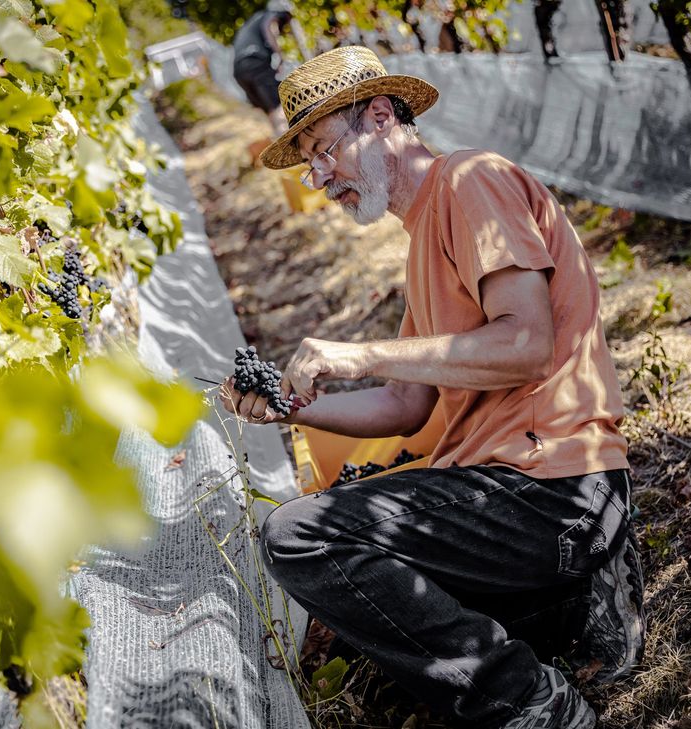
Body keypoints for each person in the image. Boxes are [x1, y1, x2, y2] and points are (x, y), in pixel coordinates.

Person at [221, 46, 645, 729]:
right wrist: (289, 409)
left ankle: (531, 704)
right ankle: (575, 599)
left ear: (382, 116)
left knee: (302, 537)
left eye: (326, 150)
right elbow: (406, 403)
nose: (321, 179)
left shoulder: (472, 181)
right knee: (378, 617)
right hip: (511, 493)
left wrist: (359, 353)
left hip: (548, 486)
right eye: (310, 165)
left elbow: (525, 342)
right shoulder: (425, 235)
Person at [232, 0, 294, 136]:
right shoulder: (269, 16)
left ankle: (280, 143)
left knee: (270, 109)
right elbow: (269, 28)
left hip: (239, 71)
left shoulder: (253, 21)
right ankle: (289, 143)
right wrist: (279, 54)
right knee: (278, 105)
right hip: (255, 63)